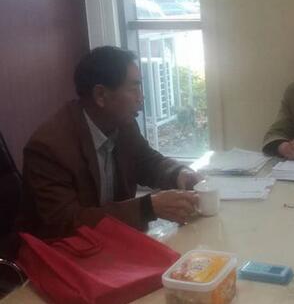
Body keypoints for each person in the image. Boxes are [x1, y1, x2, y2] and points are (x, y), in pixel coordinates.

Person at [20, 46, 202, 239]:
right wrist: (148, 207)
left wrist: (179, 173)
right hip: (66, 250)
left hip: (112, 242)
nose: (141, 98)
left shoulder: (123, 125)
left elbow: (146, 161)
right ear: (101, 95)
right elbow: (66, 223)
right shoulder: (49, 148)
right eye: (133, 88)